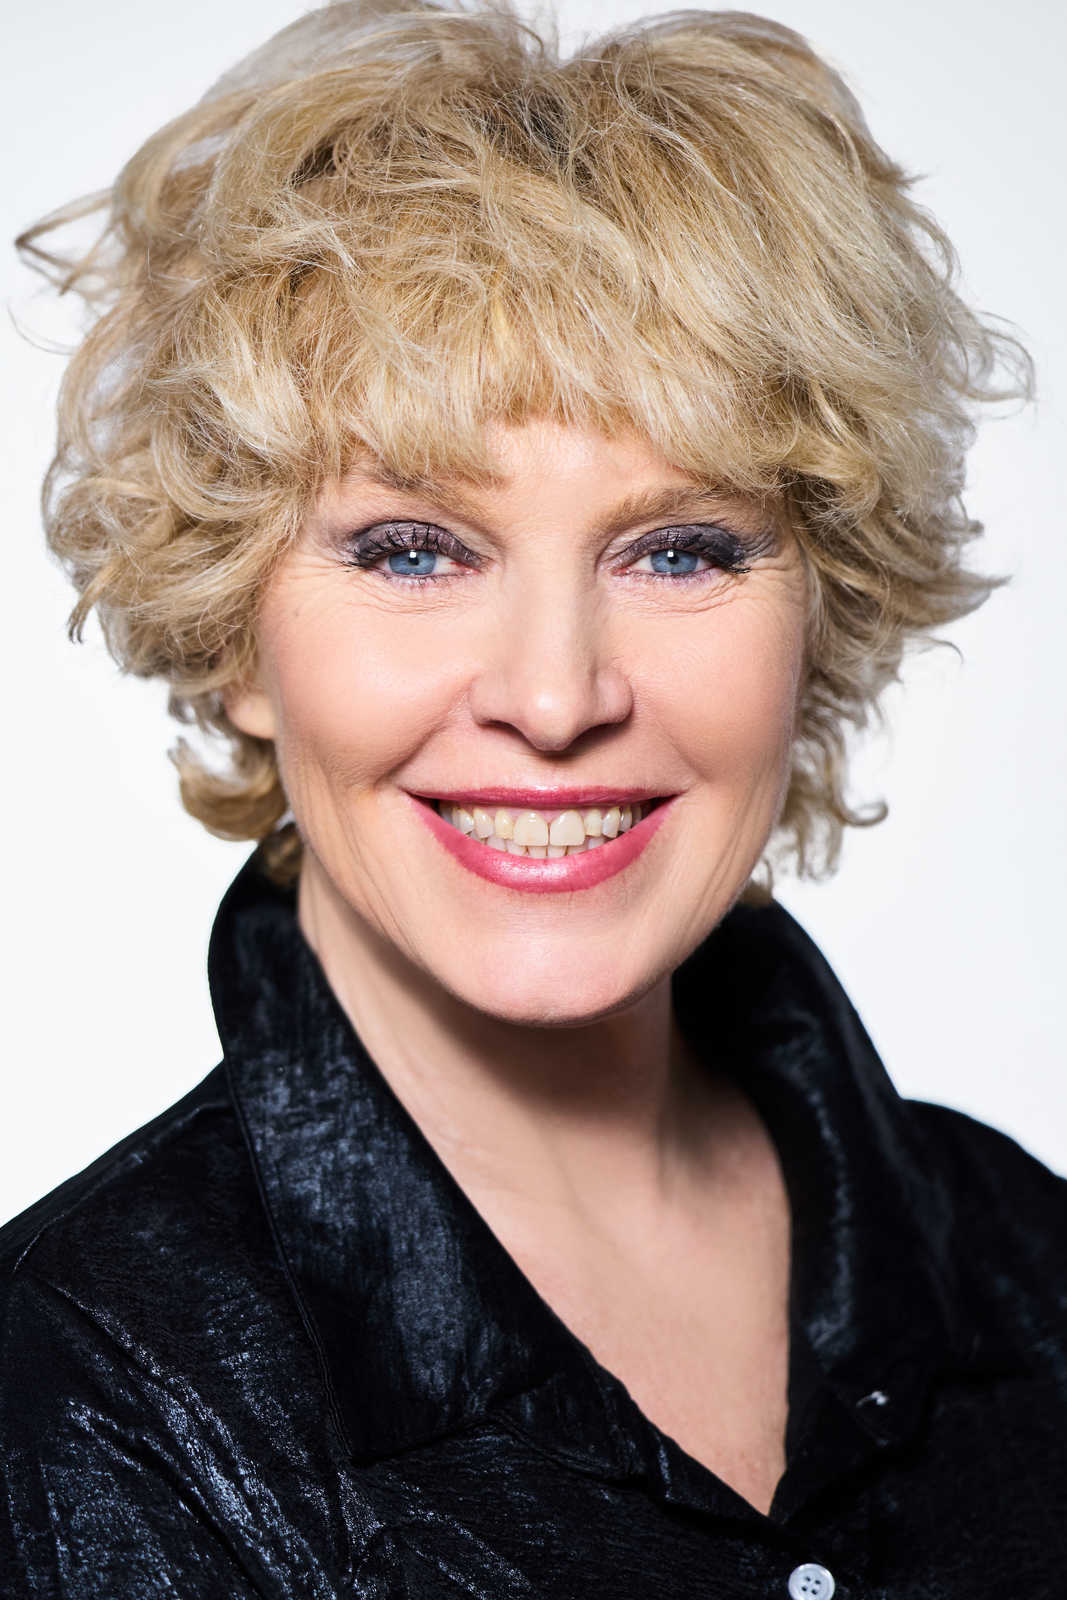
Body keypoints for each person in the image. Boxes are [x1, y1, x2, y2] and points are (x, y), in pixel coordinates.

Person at [2, 2, 1063, 1594]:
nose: (557, 699)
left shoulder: (1031, 1262)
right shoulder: (81, 1390)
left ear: (823, 614)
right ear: (233, 633)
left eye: (680, 550)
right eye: (413, 551)